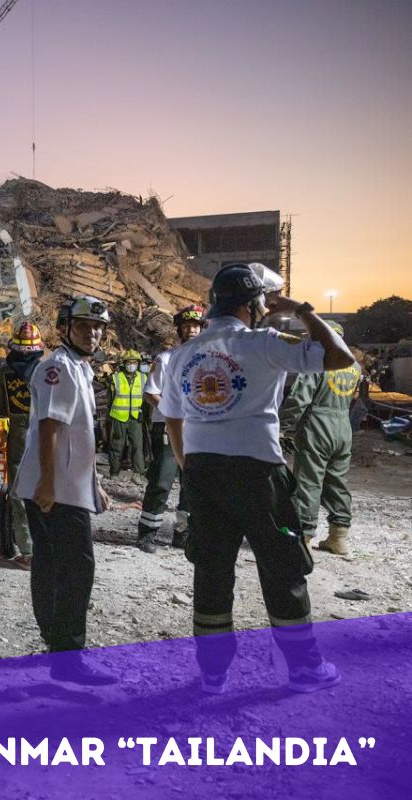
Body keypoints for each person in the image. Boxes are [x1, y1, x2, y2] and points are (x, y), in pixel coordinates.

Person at [159, 262, 354, 694]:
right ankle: (304, 668)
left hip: (203, 472)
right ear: (252, 306)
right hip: (257, 472)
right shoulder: (264, 342)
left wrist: (189, 468)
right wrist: (302, 309)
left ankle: (212, 674)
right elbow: (341, 356)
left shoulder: (181, 355)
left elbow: (172, 420)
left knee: (211, 570)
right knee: (282, 566)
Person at [14, 297, 116, 685]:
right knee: (74, 570)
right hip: (56, 491)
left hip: (68, 487)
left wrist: (97, 484)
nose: (93, 332)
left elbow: (80, 435)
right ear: (66, 327)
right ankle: (67, 659)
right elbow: (51, 427)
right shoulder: (58, 367)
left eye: (98, 327)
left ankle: (57, 647)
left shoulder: (79, 368)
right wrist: (47, 484)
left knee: (54, 566)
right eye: (84, 326)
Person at [280, 321, 362, 555]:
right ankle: (339, 536)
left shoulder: (319, 363)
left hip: (317, 425)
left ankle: (303, 537)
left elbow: (299, 399)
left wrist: (283, 426)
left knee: (308, 481)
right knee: (336, 481)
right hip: (342, 427)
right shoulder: (353, 365)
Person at [136, 305, 206, 552]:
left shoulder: (208, 361)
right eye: (187, 325)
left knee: (192, 484)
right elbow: (151, 393)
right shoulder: (165, 359)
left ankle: (182, 532)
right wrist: (173, 415)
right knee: (161, 481)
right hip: (167, 429)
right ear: (179, 330)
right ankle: (147, 533)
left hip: (197, 432)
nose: (192, 330)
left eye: (196, 325)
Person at [0, 321, 45, 569]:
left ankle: (28, 551)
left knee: (20, 491)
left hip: (19, 435)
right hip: (46, 434)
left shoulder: (5, 374)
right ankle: (46, 548)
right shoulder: (47, 372)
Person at [106, 349, 147, 481]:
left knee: (137, 445)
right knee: (117, 446)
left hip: (136, 417)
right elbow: (110, 399)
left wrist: (144, 414)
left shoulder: (143, 377)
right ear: (124, 363)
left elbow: (147, 399)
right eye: (129, 362)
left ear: (138, 363)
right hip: (119, 416)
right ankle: (114, 472)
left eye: (134, 362)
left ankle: (138, 473)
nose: (131, 364)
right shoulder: (116, 378)